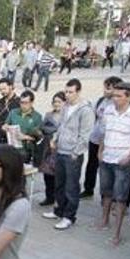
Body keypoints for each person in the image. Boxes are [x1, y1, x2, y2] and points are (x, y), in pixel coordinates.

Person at [42, 79, 95, 230]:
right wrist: (55, 139)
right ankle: (58, 210)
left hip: (72, 154)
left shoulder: (85, 110)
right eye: (66, 91)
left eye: (70, 92)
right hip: (60, 150)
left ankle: (69, 216)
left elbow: (85, 135)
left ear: (78, 92)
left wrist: (75, 152)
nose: (67, 95)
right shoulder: (65, 107)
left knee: (71, 186)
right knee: (59, 184)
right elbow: (61, 126)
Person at [97, 83, 130, 246]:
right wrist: (100, 151)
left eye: (119, 96)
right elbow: (104, 133)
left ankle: (117, 233)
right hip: (106, 158)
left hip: (123, 161)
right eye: (114, 96)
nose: (115, 99)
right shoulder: (109, 110)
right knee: (106, 192)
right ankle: (104, 221)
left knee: (120, 198)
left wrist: (129, 157)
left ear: (129, 96)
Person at [82, 77, 123, 198]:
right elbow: (93, 115)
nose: (105, 90)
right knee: (91, 165)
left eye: (108, 88)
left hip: (109, 143)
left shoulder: (118, 105)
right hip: (95, 139)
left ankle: (107, 195)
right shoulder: (101, 101)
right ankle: (88, 189)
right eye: (105, 87)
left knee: (106, 169)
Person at [36, 92, 66, 207]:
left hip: (59, 147)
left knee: (58, 175)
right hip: (47, 147)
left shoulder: (66, 116)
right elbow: (42, 128)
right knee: (47, 174)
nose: (56, 104)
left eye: (59, 102)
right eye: (55, 102)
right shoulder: (48, 114)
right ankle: (49, 197)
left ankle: (58, 199)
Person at [3, 90, 42, 164]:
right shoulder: (13, 112)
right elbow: (5, 124)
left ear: (32, 103)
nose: (23, 105)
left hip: (26, 150)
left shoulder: (37, 117)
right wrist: (5, 127)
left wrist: (25, 137)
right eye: (21, 102)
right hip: (11, 148)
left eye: (26, 103)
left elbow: (39, 138)